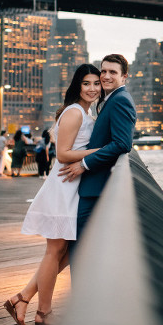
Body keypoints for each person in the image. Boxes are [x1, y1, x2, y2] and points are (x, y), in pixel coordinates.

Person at [3, 64, 102, 325]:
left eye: (96, 83)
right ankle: (43, 312)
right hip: (63, 187)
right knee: (55, 250)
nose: (92, 88)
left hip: (72, 188)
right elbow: (63, 154)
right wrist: (102, 150)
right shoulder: (74, 112)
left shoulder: (84, 112)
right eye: (86, 83)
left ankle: (21, 298)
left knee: (65, 251)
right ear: (77, 86)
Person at [59, 54, 136, 247]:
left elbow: (122, 144)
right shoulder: (111, 100)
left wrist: (84, 164)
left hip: (95, 187)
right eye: (104, 71)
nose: (106, 76)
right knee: (76, 245)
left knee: (79, 247)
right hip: (90, 186)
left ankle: (80, 279)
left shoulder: (120, 100)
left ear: (124, 76)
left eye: (113, 72)